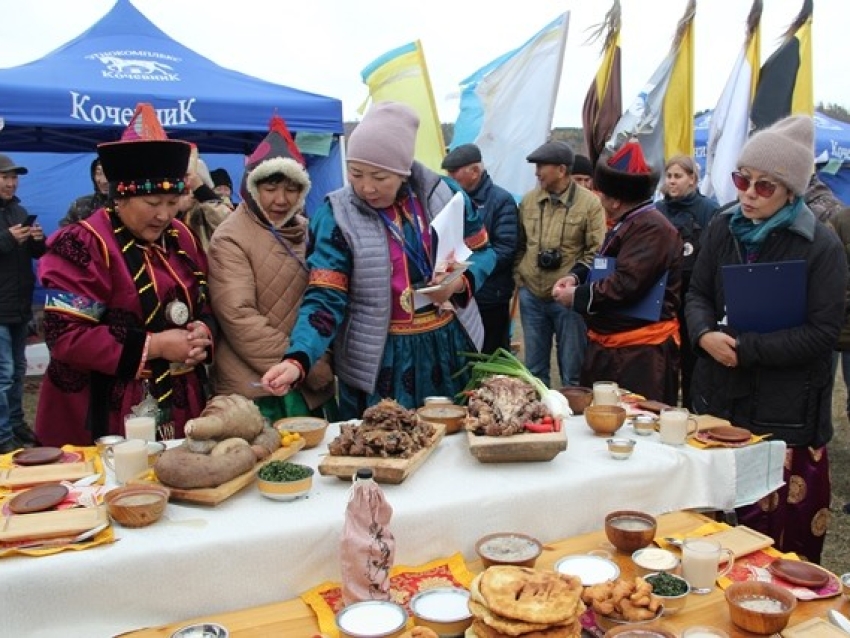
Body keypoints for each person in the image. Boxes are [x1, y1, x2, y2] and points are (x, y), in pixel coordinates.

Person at [261, 102, 496, 419]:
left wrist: (460, 283)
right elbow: (325, 296)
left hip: (447, 346)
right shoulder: (336, 216)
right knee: (384, 445)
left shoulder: (445, 194)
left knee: (449, 443)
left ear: (403, 172)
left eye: (379, 176)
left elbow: (484, 251)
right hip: (380, 357)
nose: (366, 187)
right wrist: (298, 358)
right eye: (355, 173)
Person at [686, 115, 847, 563]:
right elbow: (697, 292)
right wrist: (702, 335)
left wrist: (745, 351)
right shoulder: (722, 227)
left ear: (791, 191)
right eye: (743, 179)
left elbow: (822, 334)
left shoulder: (821, 247)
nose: (748, 193)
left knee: (776, 548)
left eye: (764, 186)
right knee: (710, 534)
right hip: (720, 397)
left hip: (787, 412)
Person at [34, 135, 217, 446]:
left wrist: (203, 331)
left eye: (172, 203)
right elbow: (65, 334)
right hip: (108, 408)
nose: (164, 215)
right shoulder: (83, 244)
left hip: (182, 399)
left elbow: (204, 304)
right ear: (119, 198)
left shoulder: (181, 238)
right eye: (152, 203)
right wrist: (155, 345)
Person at [208, 118, 337, 422]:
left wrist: (316, 354)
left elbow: (328, 295)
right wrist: (306, 364)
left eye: (292, 189)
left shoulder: (308, 230)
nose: (281, 200)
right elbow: (238, 316)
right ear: (251, 188)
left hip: (307, 374)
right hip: (260, 387)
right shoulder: (230, 237)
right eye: (270, 188)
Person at [552, 139, 683, 404]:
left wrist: (577, 297)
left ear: (615, 200)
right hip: (611, 349)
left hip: (639, 356)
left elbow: (626, 283)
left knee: (636, 429)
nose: (597, 198)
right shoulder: (627, 222)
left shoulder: (652, 228)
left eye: (601, 193)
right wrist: (577, 276)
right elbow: (604, 262)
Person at [515, 141, 606, 387]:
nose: (536, 172)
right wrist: (520, 280)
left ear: (562, 169)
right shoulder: (528, 202)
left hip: (568, 299)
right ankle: (540, 420)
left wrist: (575, 281)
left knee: (572, 372)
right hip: (532, 296)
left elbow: (597, 251)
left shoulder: (590, 204)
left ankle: (572, 421)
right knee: (534, 371)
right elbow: (520, 245)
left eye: (542, 166)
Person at [655, 155, 719, 408]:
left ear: (692, 178)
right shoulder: (658, 210)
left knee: (694, 360)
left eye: (678, 176)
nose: (672, 181)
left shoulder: (710, 210)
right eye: (669, 176)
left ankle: (694, 409)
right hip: (663, 296)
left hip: (695, 296)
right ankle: (664, 409)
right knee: (665, 359)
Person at [441, 143, 518, 354]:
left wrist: (467, 271)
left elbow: (505, 249)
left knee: (490, 358)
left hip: (489, 296)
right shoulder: (450, 201)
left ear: (475, 171)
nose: (449, 178)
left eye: (454, 172)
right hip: (457, 296)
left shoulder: (501, 201)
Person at [0, 154, 46, 453]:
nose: (11, 182)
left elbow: (36, 255)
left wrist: (36, 240)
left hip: (19, 305)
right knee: (3, 374)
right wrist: (7, 238)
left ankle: (15, 425)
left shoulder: (19, 210)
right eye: (5, 177)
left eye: (14, 178)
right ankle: (3, 437)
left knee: (17, 371)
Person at [178, 158, 230, 252]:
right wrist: (178, 209)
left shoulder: (217, 204)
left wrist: (202, 192)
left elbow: (228, 226)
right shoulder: (174, 202)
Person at [58, 158, 111, 227]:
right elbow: (64, 233)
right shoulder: (81, 205)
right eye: (98, 173)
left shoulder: (126, 205)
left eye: (108, 174)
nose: (103, 181)